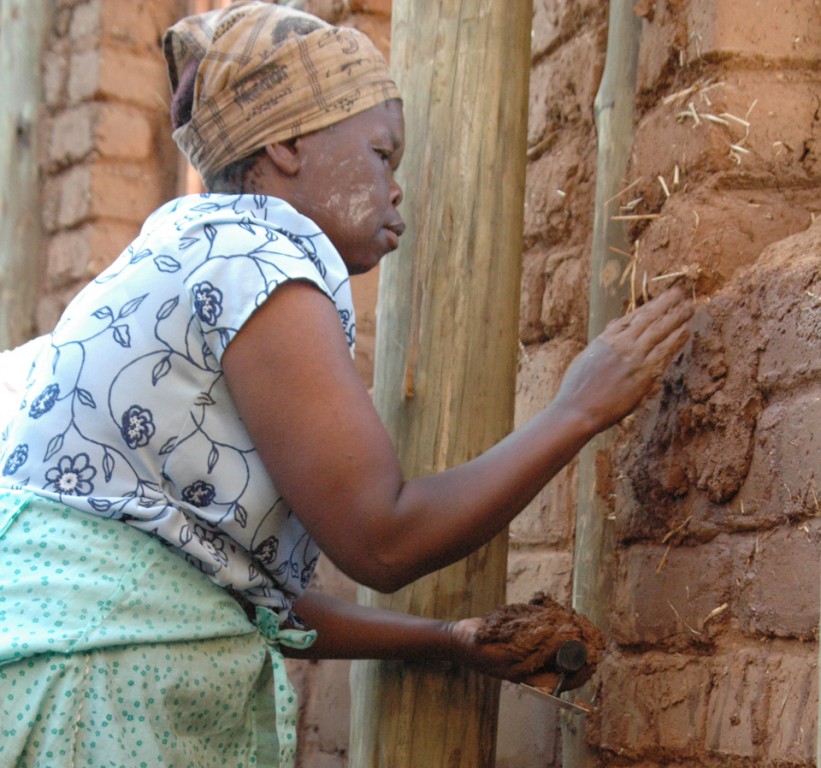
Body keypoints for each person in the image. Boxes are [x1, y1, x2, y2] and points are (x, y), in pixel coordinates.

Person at [0, 2, 693, 766]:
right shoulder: (255, 261)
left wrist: (445, 641)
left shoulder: (177, 251)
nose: (395, 189)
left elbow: (245, 596)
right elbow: (381, 538)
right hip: (97, 699)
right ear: (290, 143)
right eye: (381, 155)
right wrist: (577, 408)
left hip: (63, 683)